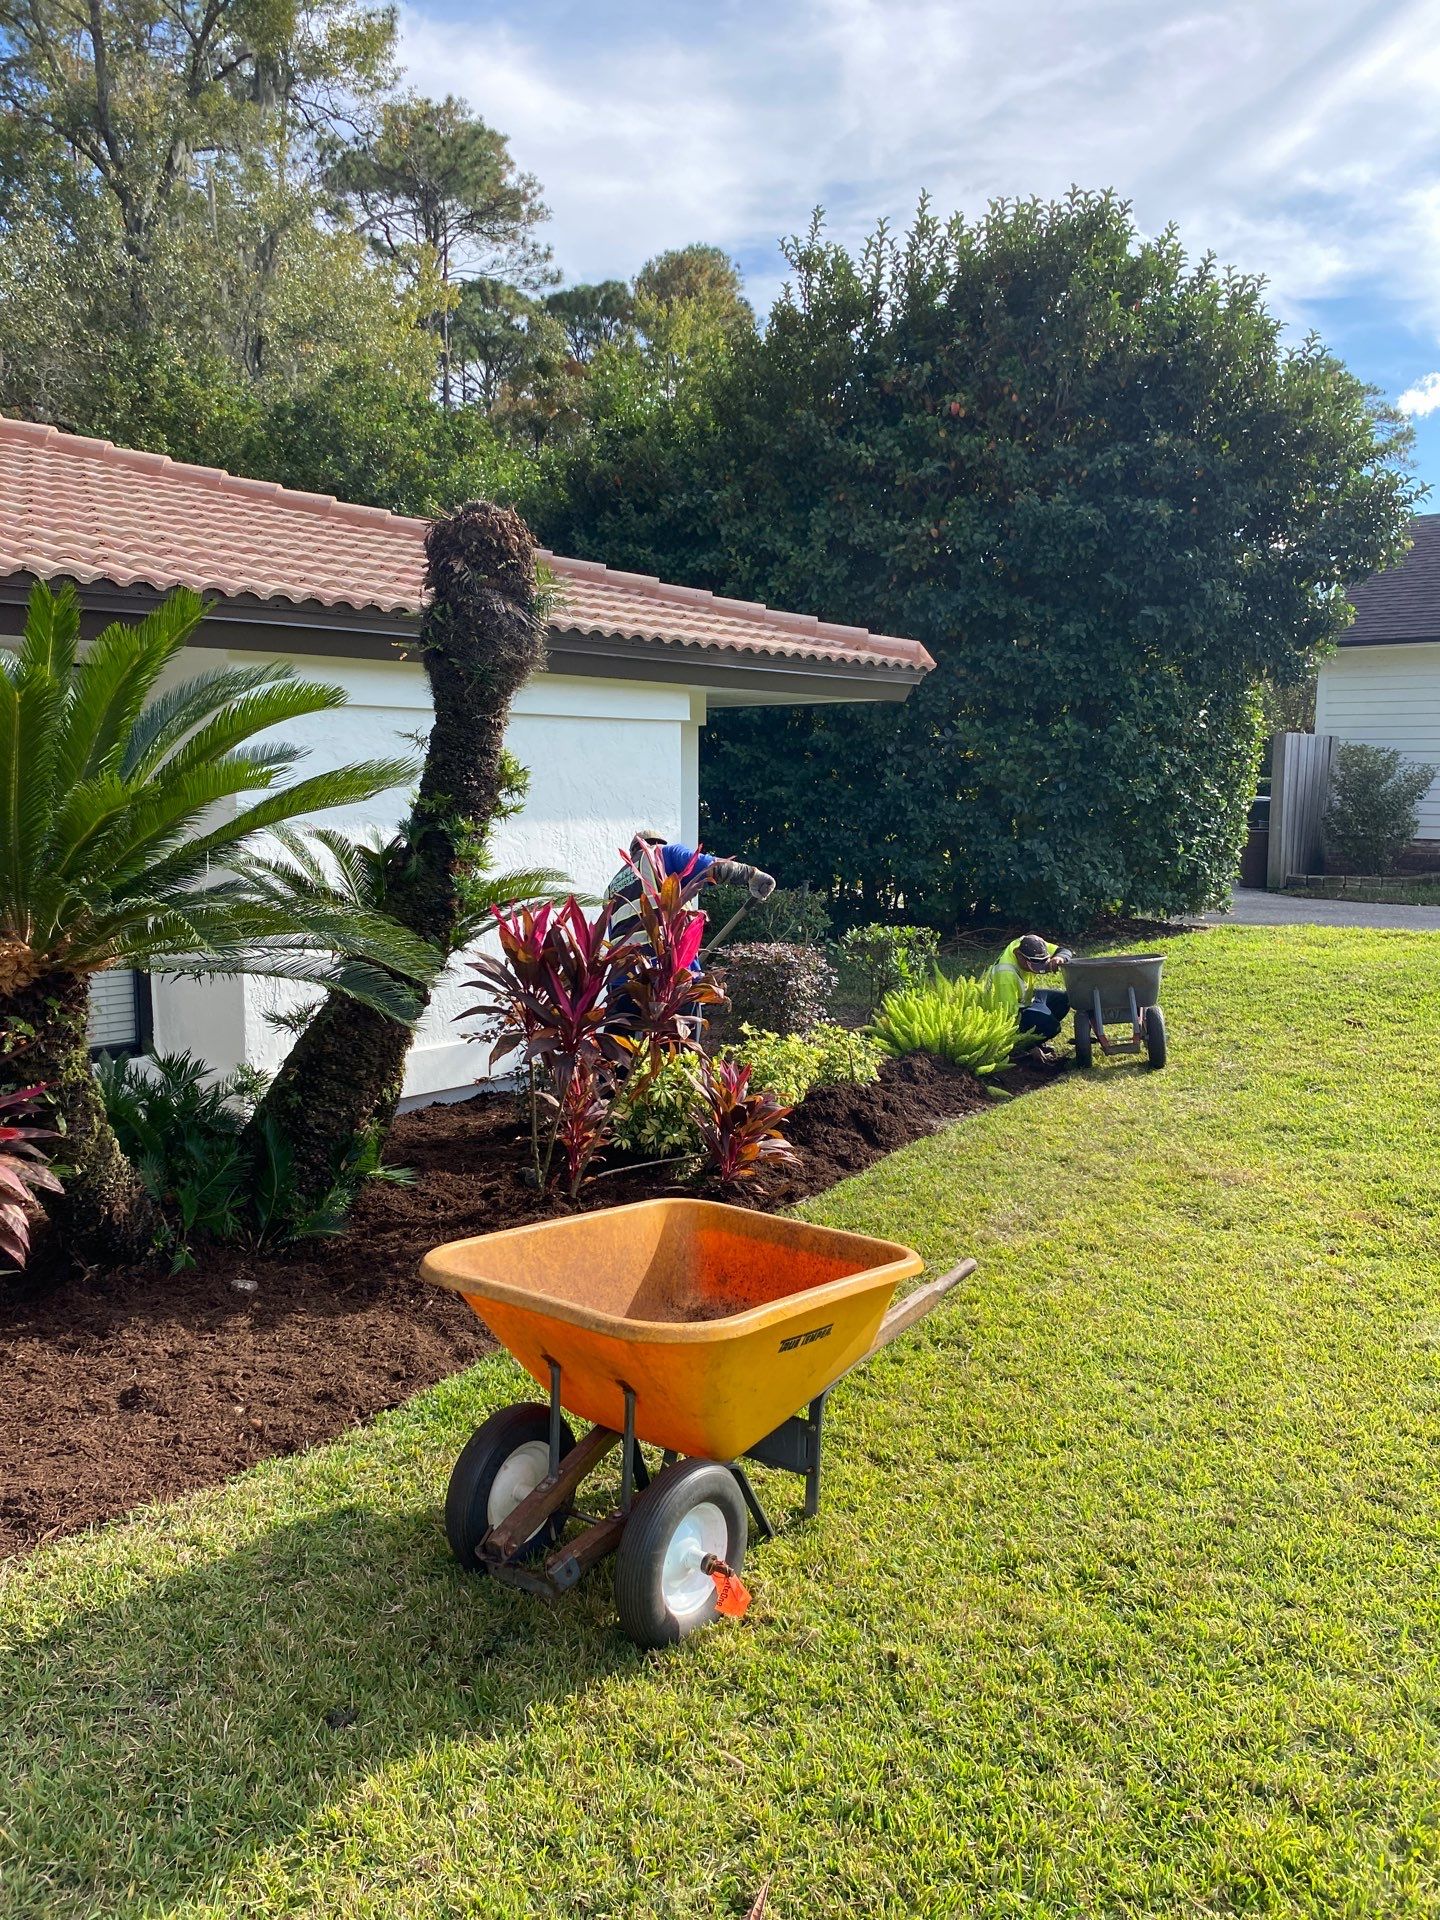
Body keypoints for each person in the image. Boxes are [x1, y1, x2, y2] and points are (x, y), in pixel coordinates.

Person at [604, 831, 775, 948]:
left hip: (621, 974)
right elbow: (710, 867)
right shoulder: (662, 854)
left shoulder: (611, 888)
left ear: (632, 852)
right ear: (655, 844)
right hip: (661, 965)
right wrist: (751, 874)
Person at [985, 932, 1074, 1042]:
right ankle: (1032, 1041)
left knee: (1064, 1000)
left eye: (1043, 961)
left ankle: (1039, 1035)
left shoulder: (1027, 943)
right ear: (1019, 956)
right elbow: (1009, 1020)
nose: (1040, 967)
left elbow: (1064, 951)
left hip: (1026, 997)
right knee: (1052, 1027)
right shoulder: (1005, 976)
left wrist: (1059, 958)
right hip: (1011, 1007)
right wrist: (1030, 1046)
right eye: (1035, 964)